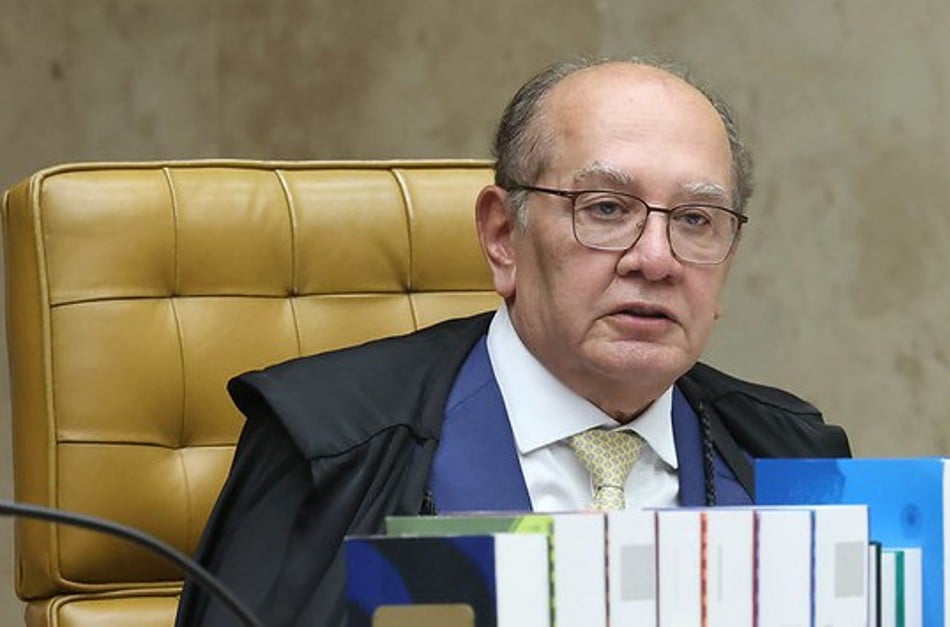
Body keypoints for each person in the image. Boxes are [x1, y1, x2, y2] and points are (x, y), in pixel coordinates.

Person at [175, 57, 850, 627]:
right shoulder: (327, 446)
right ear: (502, 236)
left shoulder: (789, 455)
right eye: (606, 209)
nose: (656, 258)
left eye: (697, 220)